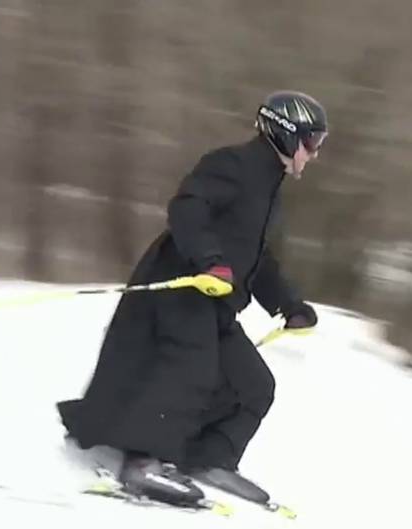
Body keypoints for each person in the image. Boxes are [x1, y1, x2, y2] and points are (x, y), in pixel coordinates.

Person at [56, 90, 328, 507]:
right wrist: (210, 262)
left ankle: (208, 459)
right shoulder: (232, 165)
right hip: (182, 288)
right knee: (189, 374)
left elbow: (258, 258)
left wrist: (289, 305)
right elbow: (188, 208)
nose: (313, 154)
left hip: (215, 303)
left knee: (254, 385)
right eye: (312, 143)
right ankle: (143, 463)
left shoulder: (270, 192)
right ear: (287, 135)